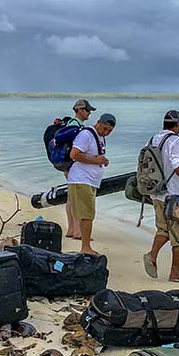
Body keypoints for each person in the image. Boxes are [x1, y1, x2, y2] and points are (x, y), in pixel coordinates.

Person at [143, 110, 179, 283]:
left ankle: (152, 255)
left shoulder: (152, 139)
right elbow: (178, 166)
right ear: (177, 125)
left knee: (163, 229)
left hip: (157, 193)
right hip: (174, 195)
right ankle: (175, 272)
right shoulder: (176, 140)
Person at [67, 112, 115, 255]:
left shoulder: (99, 137)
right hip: (81, 179)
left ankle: (85, 244)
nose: (106, 132)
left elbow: (94, 155)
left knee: (87, 213)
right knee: (87, 215)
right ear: (98, 122)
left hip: (91, 181)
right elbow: (74, 154)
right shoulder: (86, 134)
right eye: (104, 129)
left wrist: (102, 160)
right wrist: (96, 161)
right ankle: (85, 247)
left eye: (110, 131)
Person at [65, 99, 95, 238]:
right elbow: (76, 149)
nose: (89, 113)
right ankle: (77, 230)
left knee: (71, 198)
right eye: (88, 110)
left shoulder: (73, 124)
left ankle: (72, 229)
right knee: (75, 199)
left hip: (68, 164)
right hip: (72, 165)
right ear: (80, 110)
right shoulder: (75, 125)